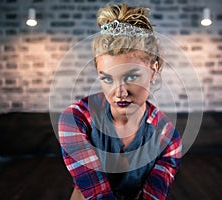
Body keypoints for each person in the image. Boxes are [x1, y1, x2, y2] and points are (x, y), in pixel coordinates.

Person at [58, 3, 182, 200]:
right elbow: (98, 193)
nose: (120, 92)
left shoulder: (167, 136)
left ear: (154, 70)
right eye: (107, 78)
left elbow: (152, 196)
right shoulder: (75, 118)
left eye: (131, 77)